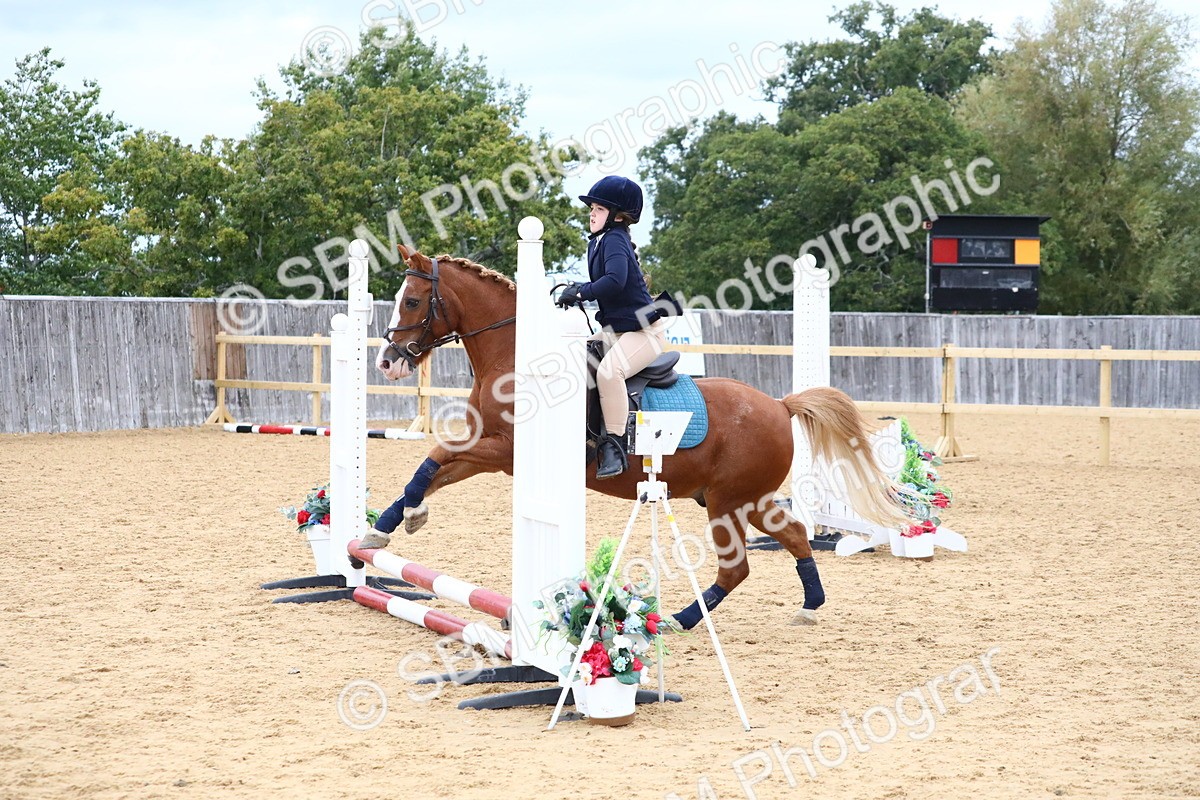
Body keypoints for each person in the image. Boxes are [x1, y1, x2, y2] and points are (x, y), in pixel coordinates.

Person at [556, 176, 670, 479]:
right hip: (616, 331)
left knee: (609, 372)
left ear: (618, 216)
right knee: (573, 358)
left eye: (599, 209)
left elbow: (615, 281)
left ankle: (615, 447)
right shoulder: (598, 242)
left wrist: (581, 292)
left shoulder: (615, 239)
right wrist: (575, 291)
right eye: (591, 209)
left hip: (643, 334)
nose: (592, 214)